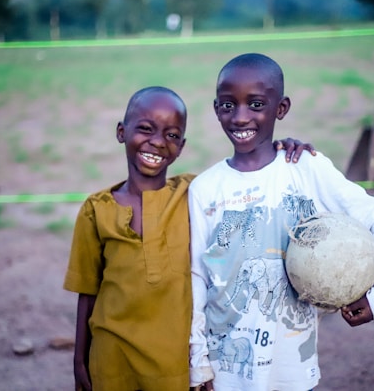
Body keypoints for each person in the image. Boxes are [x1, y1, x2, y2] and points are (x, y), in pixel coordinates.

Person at [63, 86, 315, 391]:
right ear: (121, 132)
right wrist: (79, 360)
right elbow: (87, 292)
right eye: (145, 129)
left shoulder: (194, 193)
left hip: (174, 364)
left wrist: (279, 148)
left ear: (181, 146)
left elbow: (247, 176)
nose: (157, 142)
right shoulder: (96, 209)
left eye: (171, 135)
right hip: (112, 358)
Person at [188, 53, 374, 391]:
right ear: (216, 109)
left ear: (281, 108)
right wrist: (198, 364)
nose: (241, 117)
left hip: (292, 372)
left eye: (256, 104)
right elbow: (197, 279)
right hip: (226, 372)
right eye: (228, 106)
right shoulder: (205, 189)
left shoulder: (305, 169)